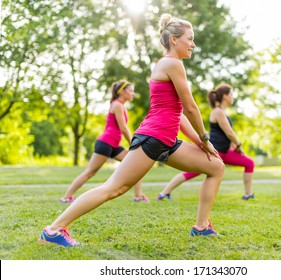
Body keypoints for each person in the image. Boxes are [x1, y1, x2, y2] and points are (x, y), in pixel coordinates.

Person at [39, 13, 225, 246]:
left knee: (216, 167)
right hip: (153, 138)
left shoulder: (166, 64)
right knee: (114, 188)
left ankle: (201, 227)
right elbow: (190, 107)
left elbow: (177, 114)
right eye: (190, 38)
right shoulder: (172, 64)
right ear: (175, 39)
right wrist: (205, 138)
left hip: (165, 139)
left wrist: (198, 141)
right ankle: (54, 230)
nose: (193, 44)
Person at [157, 83, 255, 201]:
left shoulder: (222, 112)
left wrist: (234, 145)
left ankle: (248, 194)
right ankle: (164, 194)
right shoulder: (218, 112)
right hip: (213, 151)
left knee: (249, 163)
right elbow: (229, 132)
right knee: (191, 172)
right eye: (231, 94)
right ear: (225, 96)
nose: (233, 97)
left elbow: (225, 134)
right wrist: (239, 145)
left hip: (224, 152)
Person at [59, 80, 149, 203]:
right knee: (90, 172)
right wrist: (134, 143)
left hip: (114, 145)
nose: (133, 94)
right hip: (105, 143)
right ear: (122, 92)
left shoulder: (120, 105)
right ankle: (66, 197)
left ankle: (138, 197)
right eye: (131, 91)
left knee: (136, 165)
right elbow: (123, 127)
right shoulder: (117, 105)